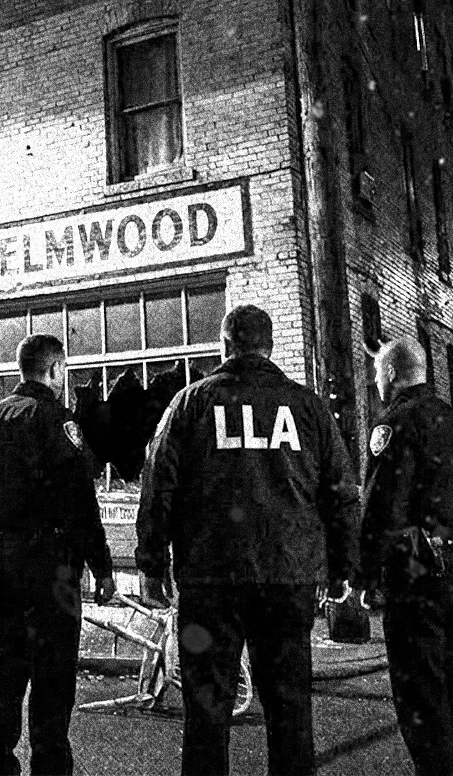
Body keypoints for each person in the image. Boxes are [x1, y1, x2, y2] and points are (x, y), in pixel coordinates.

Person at [136, 304, 360, 776]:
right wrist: (342, 567)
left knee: (205, 713)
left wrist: (152, 563)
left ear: (224, 345)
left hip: (210, 580)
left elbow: (158, 485)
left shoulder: (192, 403)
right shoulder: (308, 408)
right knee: (289, 711)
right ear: (271, 346)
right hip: (287, 578)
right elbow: (340, 493)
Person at [0, 333, 117, 776]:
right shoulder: (57, 421)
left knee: (6, 661)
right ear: (54, 371)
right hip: (53, 559)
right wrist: (102, 567)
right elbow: (81, 502)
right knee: (53, 666)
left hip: (2, 554)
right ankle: (49, 765)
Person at [358, 337, 453, 776]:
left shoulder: (394, 424)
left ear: (392, 373)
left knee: (420, 692)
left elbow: (380, 506)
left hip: (417, 568)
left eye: (378, 374)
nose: (376, 382)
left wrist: (365, 575)